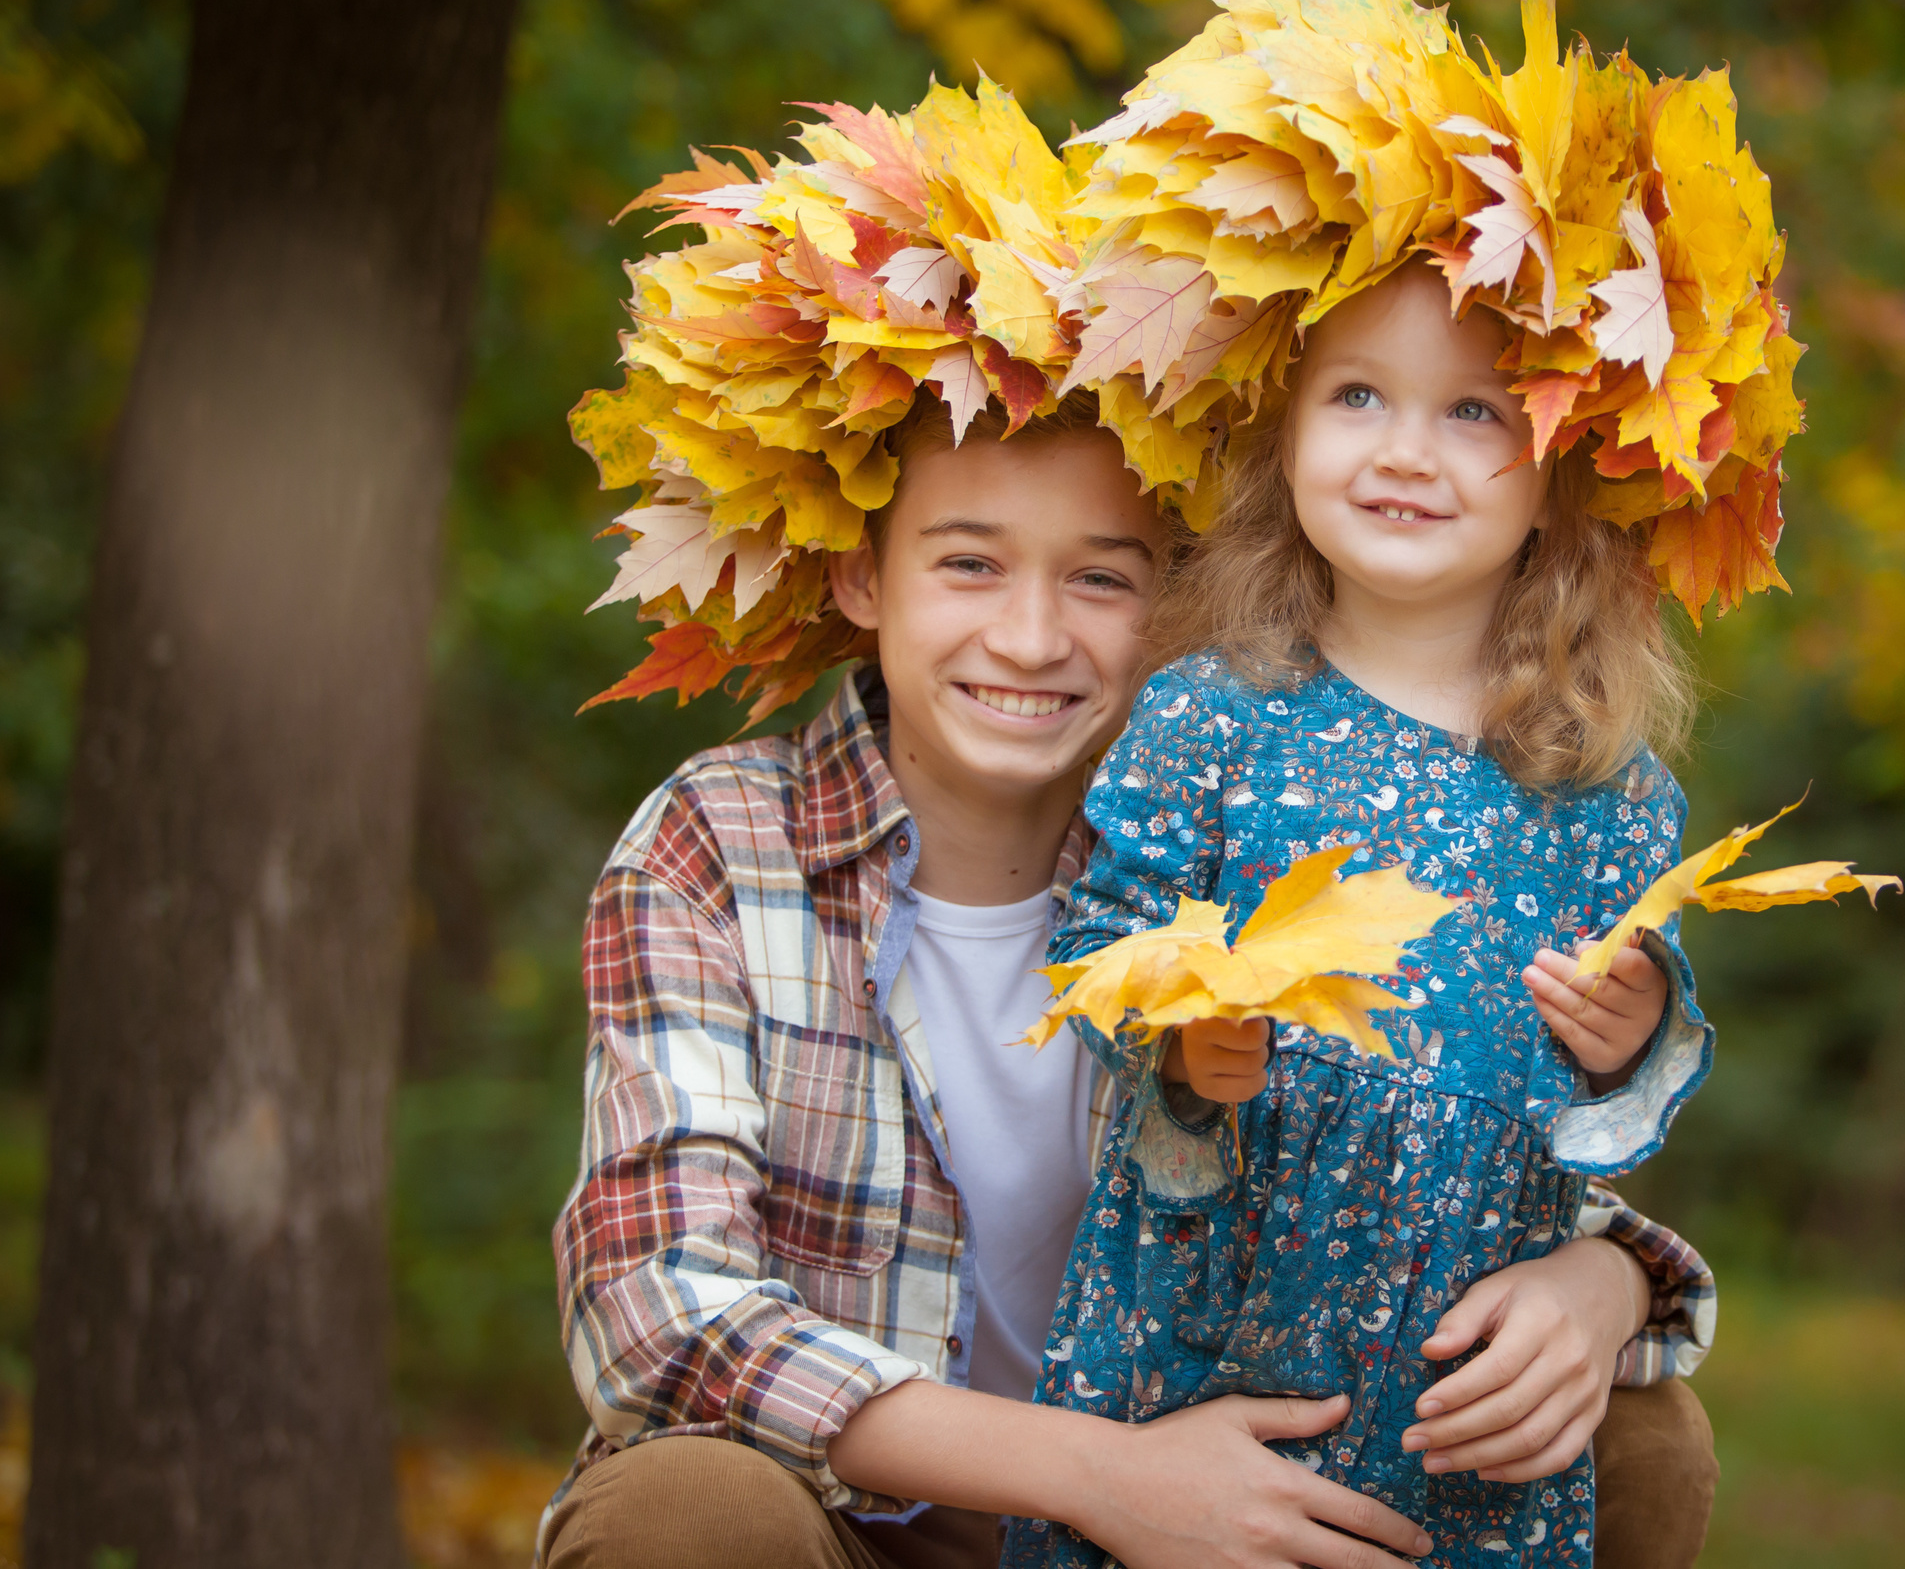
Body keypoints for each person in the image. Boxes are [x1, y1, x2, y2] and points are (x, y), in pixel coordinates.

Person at [538, 75, 1725, 1569]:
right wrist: (1100, 1476)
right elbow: (662, 1318)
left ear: (1177, 595)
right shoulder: (724, 848)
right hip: (865, 1511)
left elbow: (1457, 1141)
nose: (1033, 638)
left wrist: (1602, 1286)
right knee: (682, 1510)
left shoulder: (1244, 814)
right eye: (968, 566)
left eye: (1102, 579)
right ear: (861, 580)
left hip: (1246, 1470)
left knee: (1638, 1423)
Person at [1000, 0, 1810, 1569]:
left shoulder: (1603, 787)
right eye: (1357, 396)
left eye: (1471, 416)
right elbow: (1092, 951)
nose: (1402, 450)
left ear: (1557, 472)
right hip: (1204, 1342)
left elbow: (1616, 1114)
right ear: (1284, 433)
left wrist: (1638, 1034)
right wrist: (1185, 1041)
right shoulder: (1210, 715)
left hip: (1458, 1394)